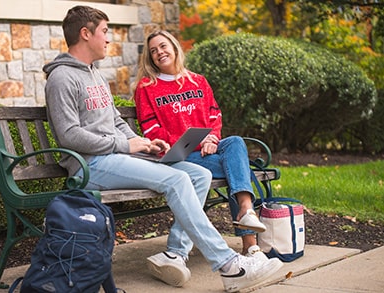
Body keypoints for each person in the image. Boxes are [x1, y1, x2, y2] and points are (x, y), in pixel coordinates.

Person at [44, 6, 282, 292]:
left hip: (116, 157)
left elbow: (117, 122)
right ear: (85, 34)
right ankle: (229, 265)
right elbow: (69, 135)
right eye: (105, 32)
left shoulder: (96, 75)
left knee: (198, 175)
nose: (108, 39)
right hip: (90, 165)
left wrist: (143, 144)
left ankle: (175, 252)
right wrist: (125, 144)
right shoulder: (61, 78)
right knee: (177, 178)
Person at [133, 30, 273, 262]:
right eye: (153, 51)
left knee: (235, 142)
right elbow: (151, 130)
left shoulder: (197, 80)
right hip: (179, 157)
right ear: (150, 58)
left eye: (163, 46)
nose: (159, 52)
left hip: (208, 151)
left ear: (175, 47)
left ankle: (246, 210)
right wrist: (185, 143)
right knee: (236, 168)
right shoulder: (147, 87)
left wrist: (212, 138)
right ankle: (250, 243)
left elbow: (213, 115)